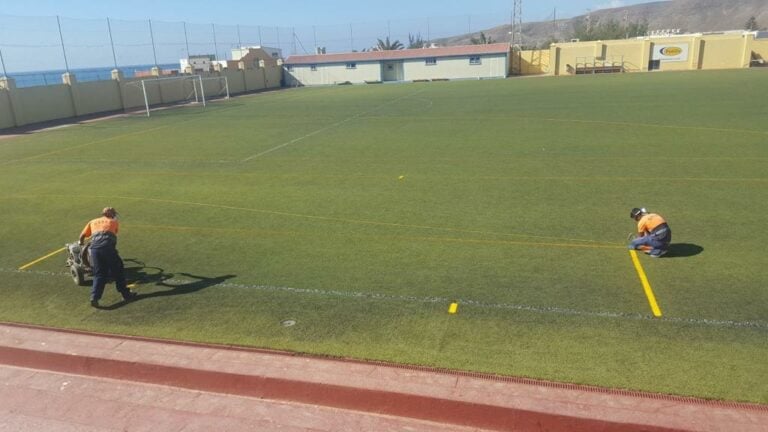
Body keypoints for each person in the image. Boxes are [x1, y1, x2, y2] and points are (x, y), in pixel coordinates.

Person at [79, 207, 137, 307]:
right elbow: (113, 233)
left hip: (95, 250)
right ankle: (126, 294)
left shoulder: (93, 221)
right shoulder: (113, 222)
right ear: (111, 214)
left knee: (99, 274)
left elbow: (82, 235)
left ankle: (94, 297)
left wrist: (81, 243)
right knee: (118, 271)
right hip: (108, 248)